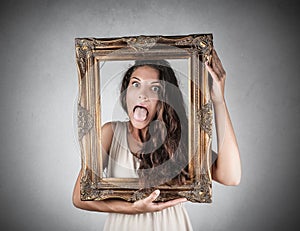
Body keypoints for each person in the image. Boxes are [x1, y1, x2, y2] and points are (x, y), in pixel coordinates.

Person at [72, 49, 241, 231]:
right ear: (125, 92)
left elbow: (230, 177)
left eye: (154, 88)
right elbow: (79, 197)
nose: (142, 94)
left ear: (165, 98)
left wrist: (219, 101)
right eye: (135, 84)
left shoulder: (179, 139)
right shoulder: (111, 133)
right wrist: (132, 208)